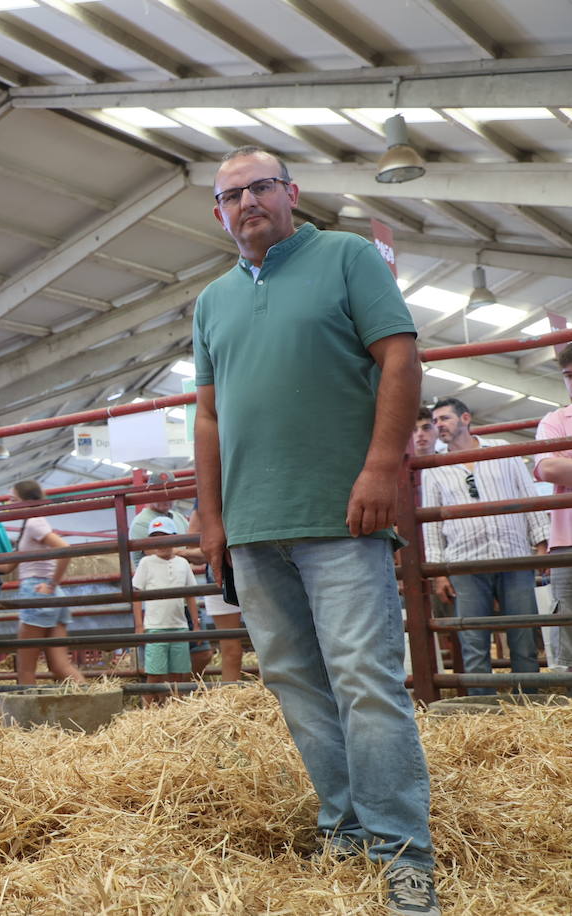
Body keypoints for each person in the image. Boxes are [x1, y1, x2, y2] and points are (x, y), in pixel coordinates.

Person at [193, 146, 438, 914]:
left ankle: (403, 852)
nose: (246, 203)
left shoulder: (345, 258)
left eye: (260, 187)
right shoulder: (210, 301)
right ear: (219, 213)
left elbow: (399, 359)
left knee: (365, 680)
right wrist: (212, 518)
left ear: (291, 192)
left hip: (341, 512)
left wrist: (379, 469)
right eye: (231, 195)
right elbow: (207, 415)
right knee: (298, 683)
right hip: (253, 524)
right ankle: (344, 829)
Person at [425, 396, 548, 695]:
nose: (438, 425)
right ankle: (483, 710)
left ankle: (528, 705)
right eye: (436, 421)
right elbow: (431, 523)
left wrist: (541, 541)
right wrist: (438, 571)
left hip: (513, 556)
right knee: (473, 642)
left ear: (465, 418)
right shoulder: (434, 467)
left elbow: (527, 494)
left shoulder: (502, 450)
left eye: (445, 418)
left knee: (523, 637)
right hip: (464, 562)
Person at [10, 479, 86, 686]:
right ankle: (92, 700)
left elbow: (65, 549)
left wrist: (51, 583)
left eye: (13, 500)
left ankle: (25, 717)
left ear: (26, 501)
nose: (9, 505)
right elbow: (8, 565)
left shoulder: (34, 522)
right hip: (52, 596)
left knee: (25, 668)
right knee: (59, 665)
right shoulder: (31, 524)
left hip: (37, 592)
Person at [532, 344, 572, 672]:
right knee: (569, 622)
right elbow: (548, 469)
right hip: (567, 540)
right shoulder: (555, 420)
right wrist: (560, 464)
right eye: (569, 375)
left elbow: (559, 467)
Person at [131, 516, 196, 704]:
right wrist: (138, 625)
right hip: (155, 627)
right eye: (156, 538)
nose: (161, 543)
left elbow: (191, 594)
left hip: (179, 626)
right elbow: (137, 594)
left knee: (178, 674)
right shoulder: (146, 563)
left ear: (174, 538)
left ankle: (175, 708)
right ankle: (147, 711)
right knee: (155, 673)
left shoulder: (182, 563)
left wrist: (196, 625)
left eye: (165, 537)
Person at [179, 504, 244, 681]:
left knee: (268, 641)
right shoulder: (207, 494)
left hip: (244, 569)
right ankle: (232, 698)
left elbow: (193, 542)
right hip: (222, 575)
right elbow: (194, 540)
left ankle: (271, 697)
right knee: (232, 648)